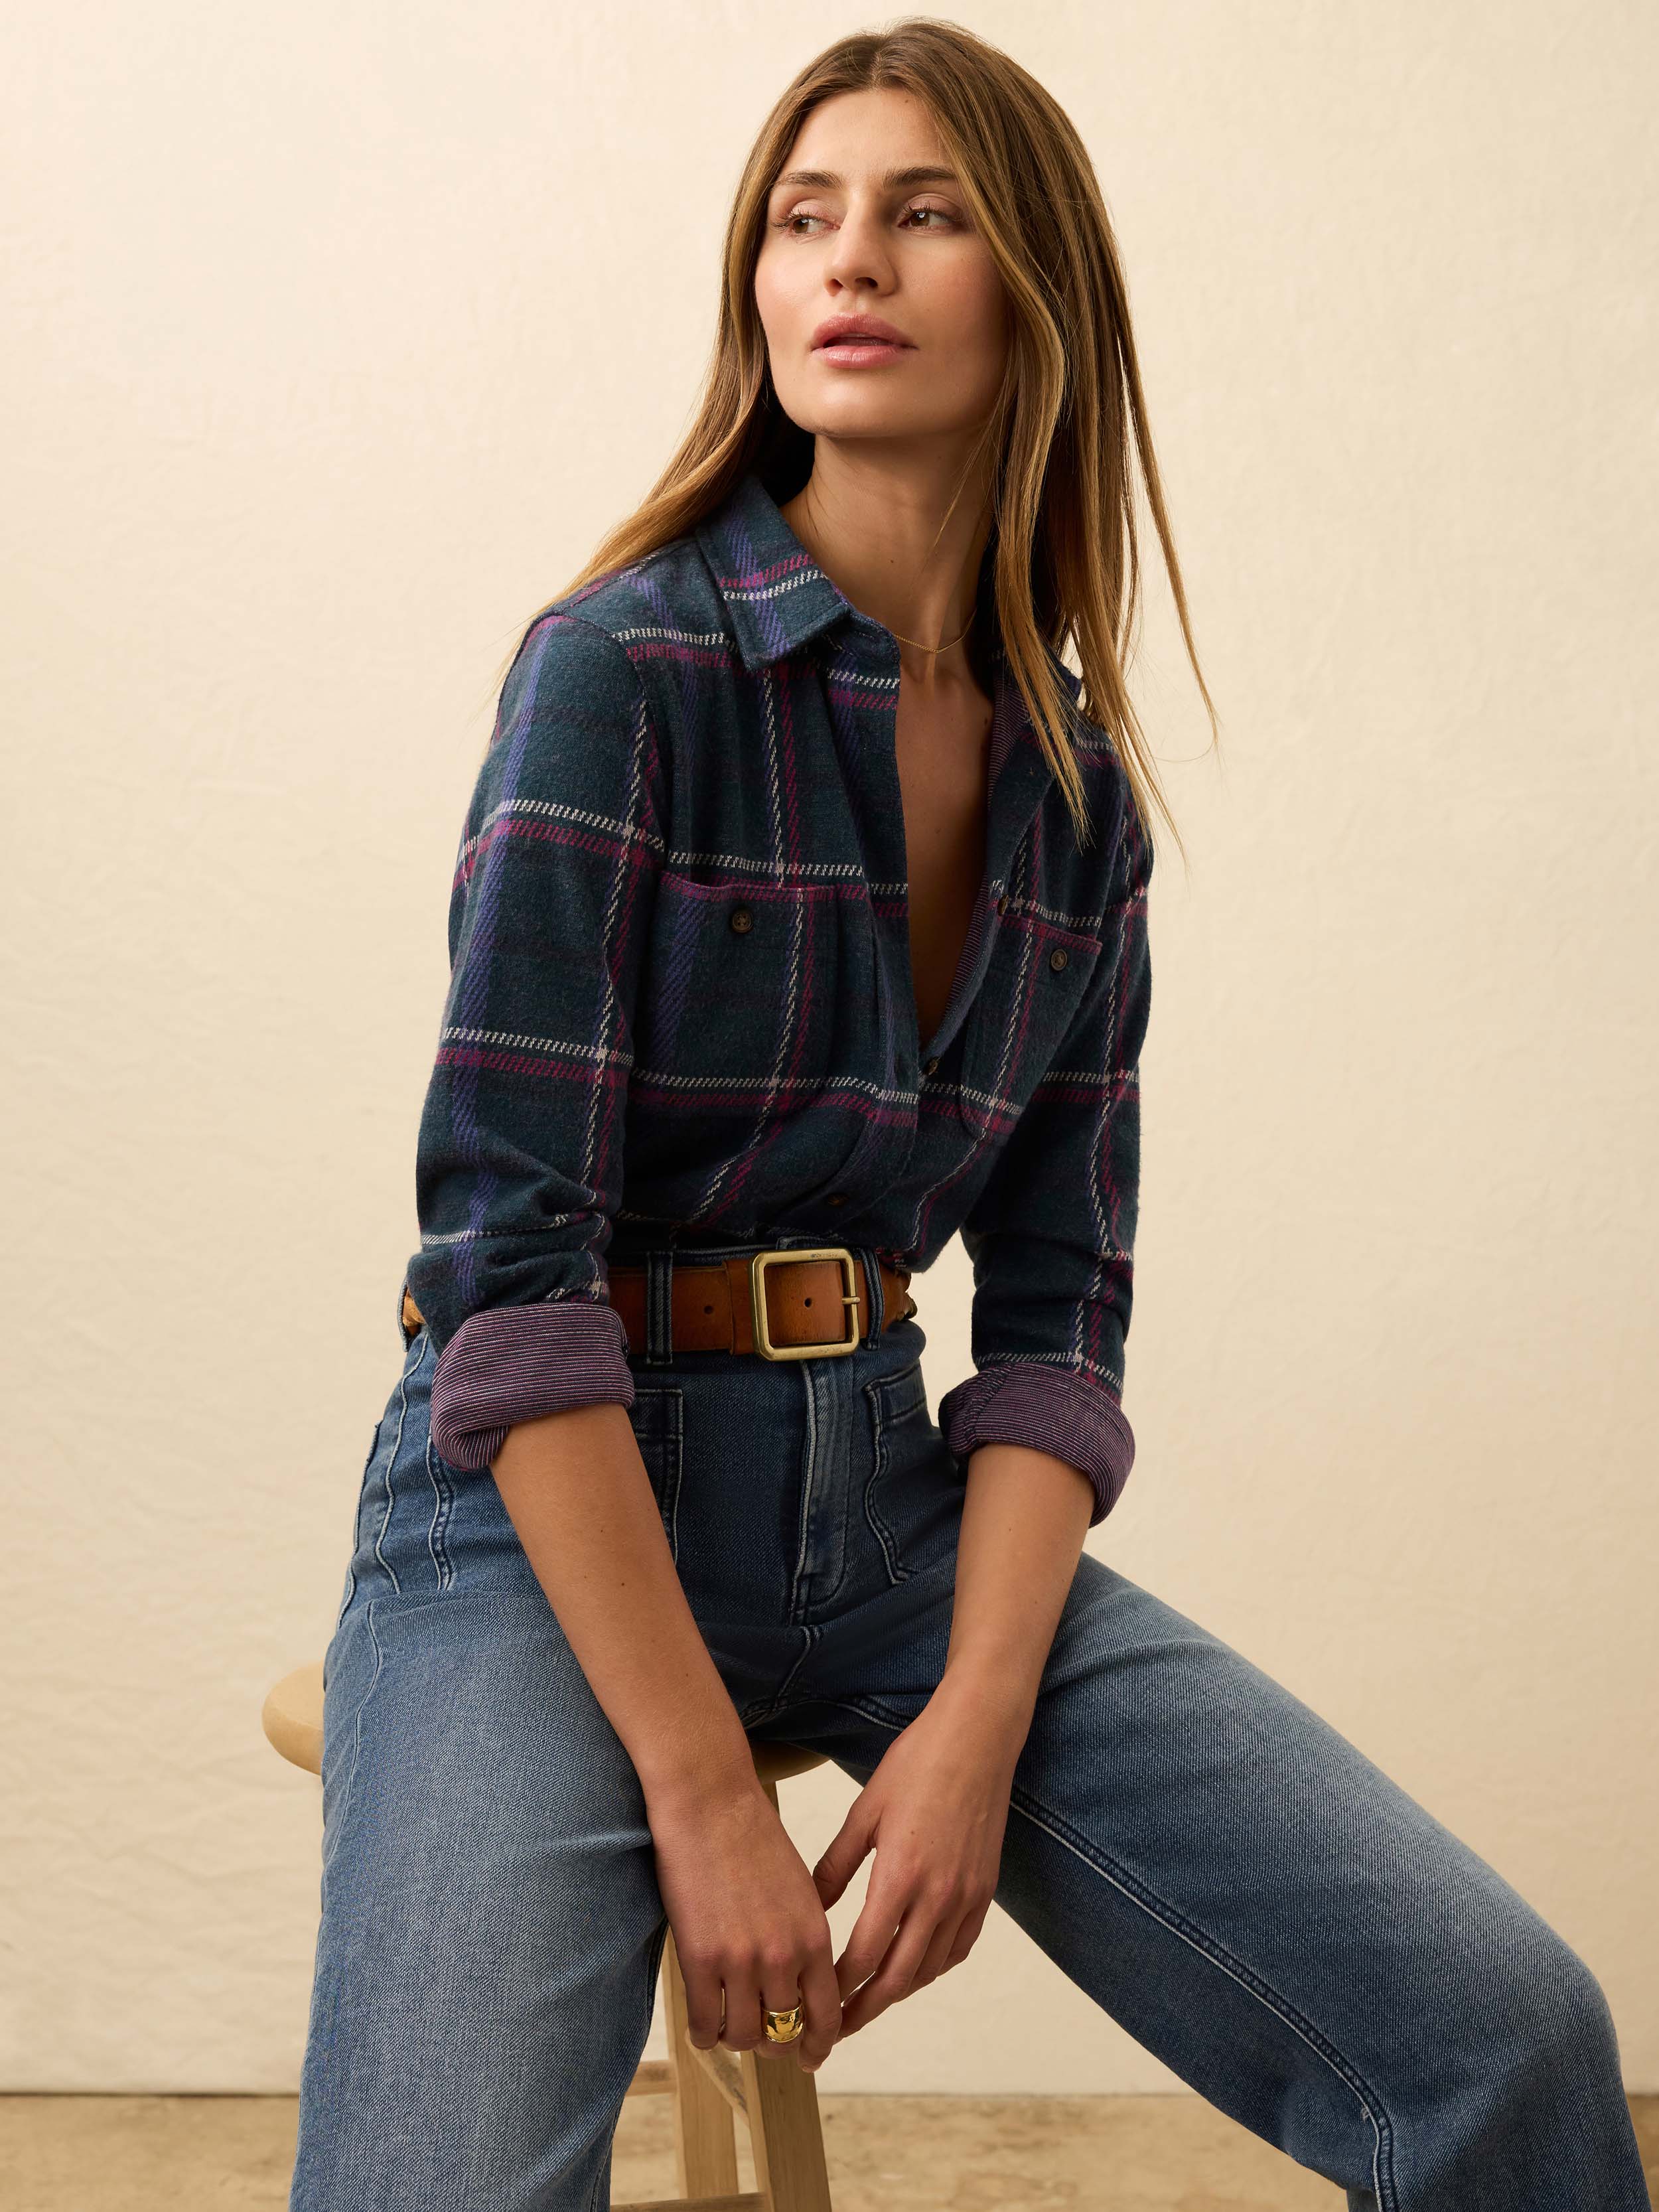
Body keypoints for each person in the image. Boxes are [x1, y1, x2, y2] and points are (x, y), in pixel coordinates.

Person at [287, 22, 1650, 2212]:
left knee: (1504, 2038)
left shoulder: (1076, 794)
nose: (850, 260)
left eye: (922, 214)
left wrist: (976, 1726)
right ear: (753, 285)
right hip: (542, 1529)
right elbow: (506, 1276)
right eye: (802, 217)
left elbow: (1054, 1311)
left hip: (890, 1512)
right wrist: (701, 1792)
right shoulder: (620, 673)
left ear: (1036, 293)